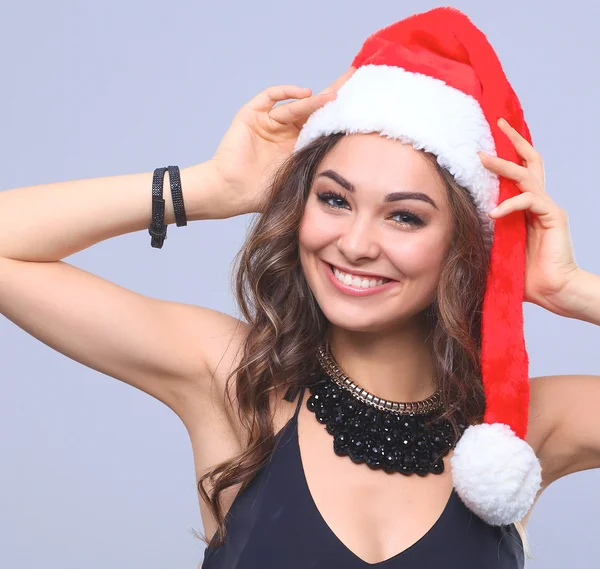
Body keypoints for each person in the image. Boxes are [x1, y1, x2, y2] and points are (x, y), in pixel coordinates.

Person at [2, 6, 600, 568]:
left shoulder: (520, 433)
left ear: (464, 244)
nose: (357, 243)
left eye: (405, 216)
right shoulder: (236, 382)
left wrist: (571, 288)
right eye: (334, 200)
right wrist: (212, 188)